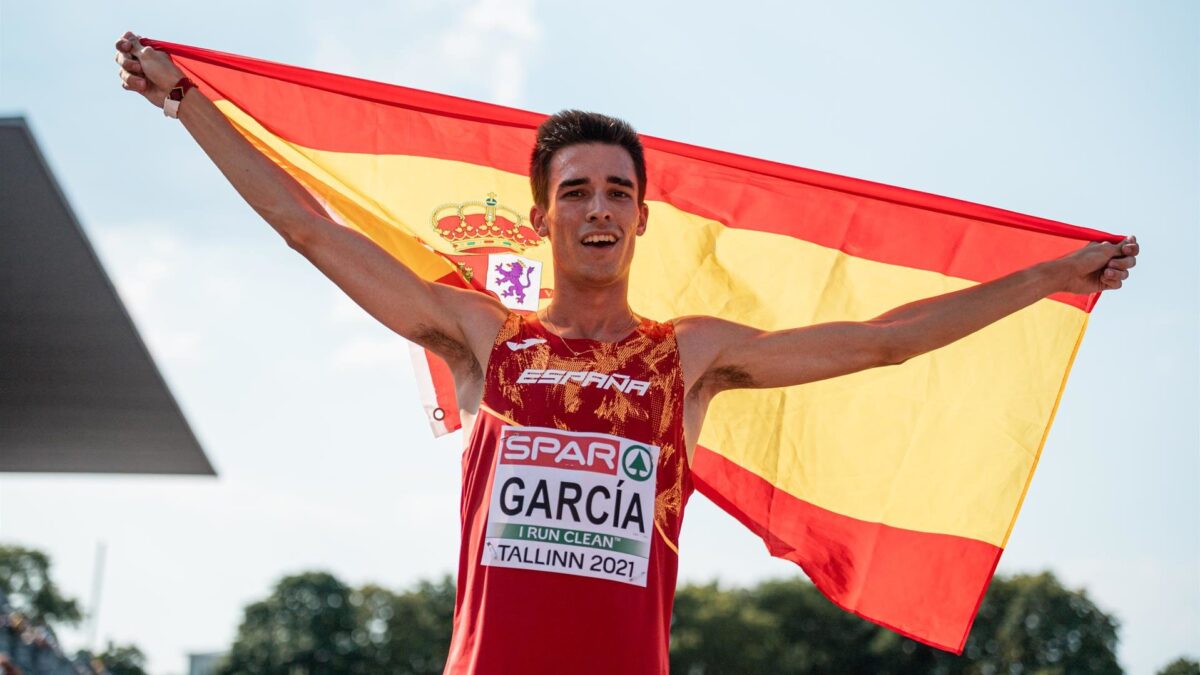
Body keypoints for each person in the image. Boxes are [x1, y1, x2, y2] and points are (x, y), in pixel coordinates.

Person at [114, 32, 1138, 675]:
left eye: (616, 193)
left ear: (643, 219)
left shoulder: (688, 359)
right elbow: (312, 232)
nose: (597, 209)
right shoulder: (486, 339)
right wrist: (187, 102)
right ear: (540, 216)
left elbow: (879, 344)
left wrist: (1047, 278)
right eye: (576, 191)